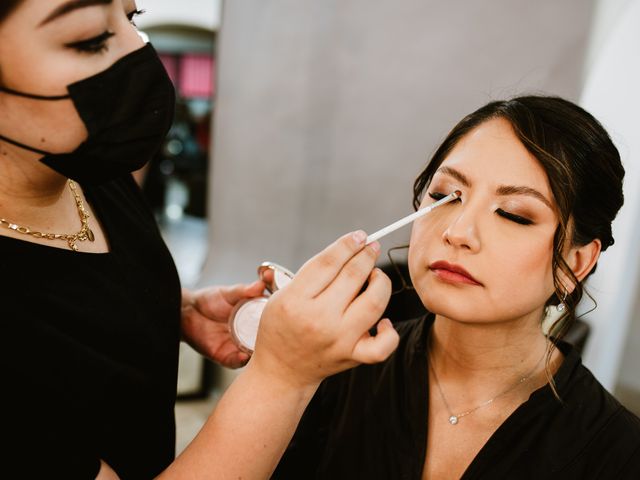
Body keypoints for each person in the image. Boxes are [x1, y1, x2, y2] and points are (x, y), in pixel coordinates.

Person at [0, 1, 400, 479]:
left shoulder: (89, 176)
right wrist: (284, 377)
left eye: (131, 18)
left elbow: (65, 310)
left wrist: (174, 307)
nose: (141, 51)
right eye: (88, 38)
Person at [273, 96, 640, 479]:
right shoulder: (333, 372)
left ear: (576, 264)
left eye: (512, 214)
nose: (457, 232)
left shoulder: (618, 454)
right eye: (444, 195)